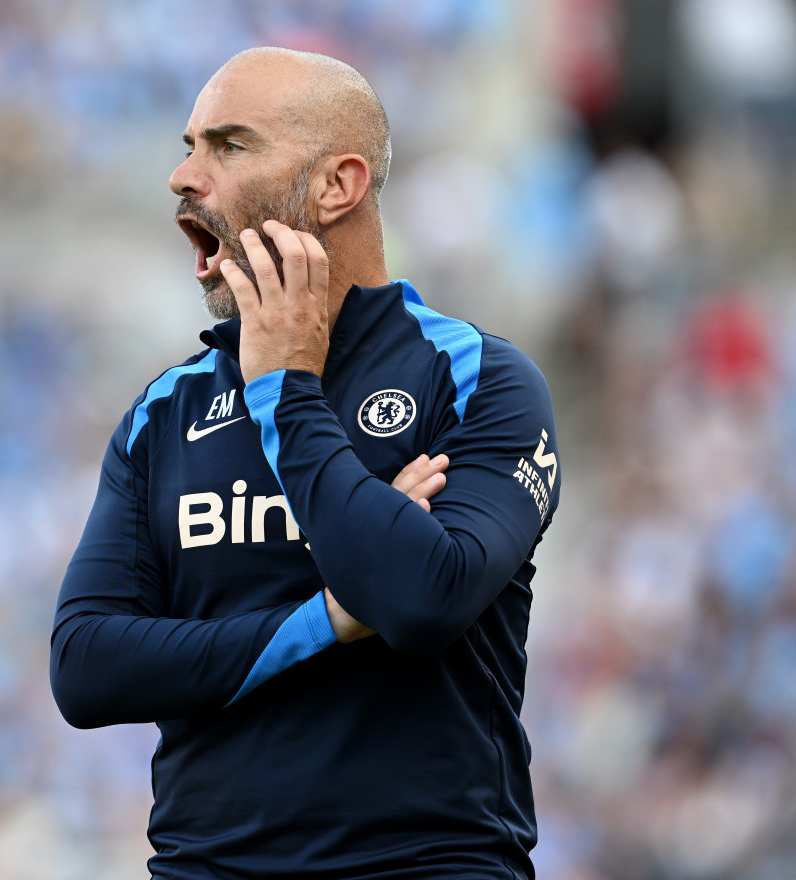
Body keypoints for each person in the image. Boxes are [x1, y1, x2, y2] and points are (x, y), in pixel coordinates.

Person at [50, 47, 561, 880]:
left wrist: (287, 387)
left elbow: (423, 598)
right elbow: (86, 666)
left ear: (337, 186)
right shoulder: (165, 411)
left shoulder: (477, 379)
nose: (184, 176)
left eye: (229, 145)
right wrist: (324, 618)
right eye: (188, 146)